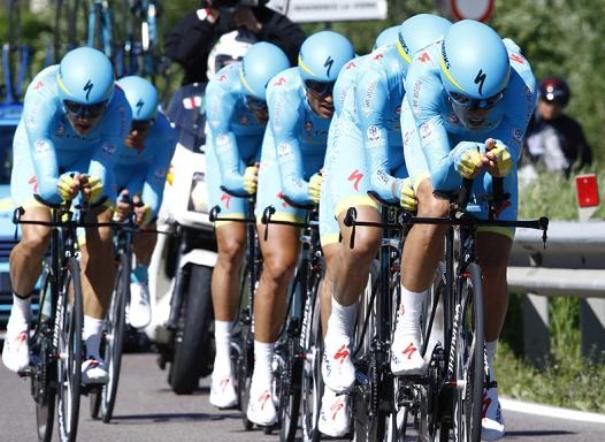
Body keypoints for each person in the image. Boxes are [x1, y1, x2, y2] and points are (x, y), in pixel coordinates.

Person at [396, 20, 536, 441]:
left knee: (493, 257)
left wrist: (500, 160)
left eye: (487, 103)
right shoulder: (425, 75)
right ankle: (409, 324)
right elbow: (441, 173)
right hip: (436, 134)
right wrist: (457, 157)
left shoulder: (521, 82)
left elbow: (505, 150)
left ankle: (487, 376)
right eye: (469, 103)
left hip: (492, 145)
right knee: (436, 203)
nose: (477, 113)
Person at [318, 14, 451, 437]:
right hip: (361, 150)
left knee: (437, 213)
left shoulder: (436, 78)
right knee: (363, 237)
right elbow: (377, 178)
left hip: (408, 148)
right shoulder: (375, 77)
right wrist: (400, 186)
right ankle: (336, 341)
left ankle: (410, 329)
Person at [2, 47, 132, 384]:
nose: (84, 117)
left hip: (88, 162)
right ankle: (20, 319)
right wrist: (55, 188)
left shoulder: (120, 109)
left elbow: (103, 169)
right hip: (40, 158)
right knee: (38, 234)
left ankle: (91, 346)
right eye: (74, 107)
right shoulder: (41, 94)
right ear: (62, 95)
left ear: (108, 100)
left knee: (100, 237)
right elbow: (45, 178)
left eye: (93, 109)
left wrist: (95, 191)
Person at [245, 30, 355, 427]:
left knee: (341, 264)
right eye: (317, 87)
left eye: (334, 87)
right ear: (302, 81)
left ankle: (334, 383)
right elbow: (290, 174)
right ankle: (261, 375)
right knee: (279, 264)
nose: (326, 96)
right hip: (285, 170)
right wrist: (308, 188)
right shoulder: (283, 92)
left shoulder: (361, 90)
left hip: (336, 167)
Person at [205, 41, 290, 409]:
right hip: (231, 154)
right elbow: (224, 153)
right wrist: (240, 182)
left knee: (282, 253)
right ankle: (223, 358)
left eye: (266, 106)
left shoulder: (288, 89)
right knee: (232, 245)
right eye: (255, 104)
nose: (260, 111)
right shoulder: (222, 90)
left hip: (273, 151)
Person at [112, 76, 176, 329]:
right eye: (130, 125)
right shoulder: (106, 124)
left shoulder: (165, 133)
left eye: (143, 126)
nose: (136, 132)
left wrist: (145, 208)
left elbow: (156, 179)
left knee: (147, 220)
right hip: (108, 175)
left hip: (141, 178)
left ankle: (140, 279)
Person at [164, 0, 305, 85]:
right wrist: (209, 22)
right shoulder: (204, 18)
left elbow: (300, 52)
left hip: (258, 104)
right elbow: (178, 53)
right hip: (205, 101)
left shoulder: (267, 18)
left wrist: (259, 29)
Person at [523, 76, 592, 177]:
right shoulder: (525, 122)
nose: (551, 108)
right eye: (548, 102)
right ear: (540, 100)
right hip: (528, 175)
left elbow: (585, 158)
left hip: (562, 176)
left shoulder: (571, 127)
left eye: (557, 104)